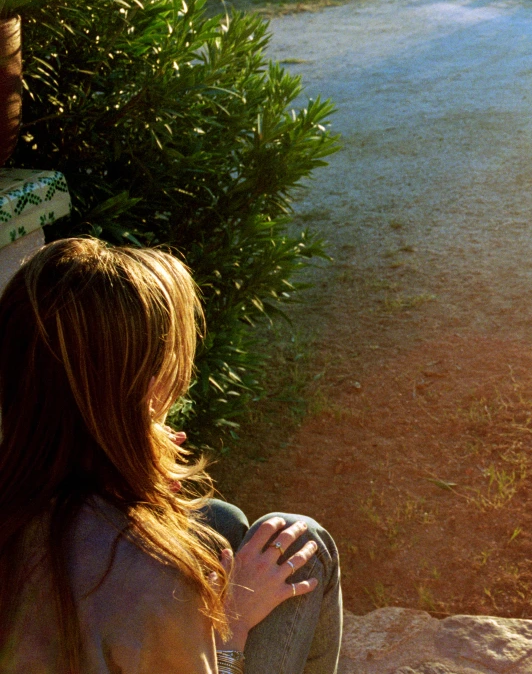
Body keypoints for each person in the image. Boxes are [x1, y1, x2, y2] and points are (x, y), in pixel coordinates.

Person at [0, 238, 342, 674]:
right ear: (142, 390)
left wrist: (127, 473)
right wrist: (228, 626)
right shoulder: (160, 577)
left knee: (220, 522)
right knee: (301, 543)